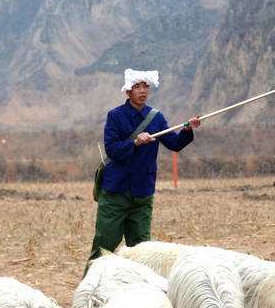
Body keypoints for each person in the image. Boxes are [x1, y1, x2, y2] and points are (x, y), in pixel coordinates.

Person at [85, 68, 201, 274]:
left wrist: (188, 129)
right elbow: (112, 149)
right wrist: (135, 144)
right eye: (137, 87)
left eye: (145, 86)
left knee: (142, 251)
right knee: (103, 250)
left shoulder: (156, 117)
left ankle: (140, 295)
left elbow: (174, 143)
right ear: (128, 92)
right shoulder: (115, 116)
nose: (142, 91)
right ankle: (89, 295)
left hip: (142, 195)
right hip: (115, 193)